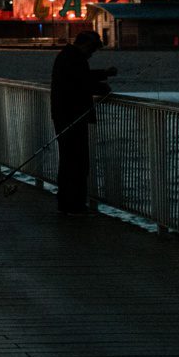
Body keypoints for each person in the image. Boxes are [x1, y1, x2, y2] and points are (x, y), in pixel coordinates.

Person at [50, 28, 117, 216]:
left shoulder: (67, 56)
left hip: (64, 116)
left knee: (68, 161)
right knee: (77, 162)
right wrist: (102, 86)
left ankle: (67, 202)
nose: (92, 54)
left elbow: (79, 78)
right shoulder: (74, 59)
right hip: (72, 117)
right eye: (92, 50)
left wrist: (103, 75)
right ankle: (74, 205)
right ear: (86, 45)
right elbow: (79, 83)